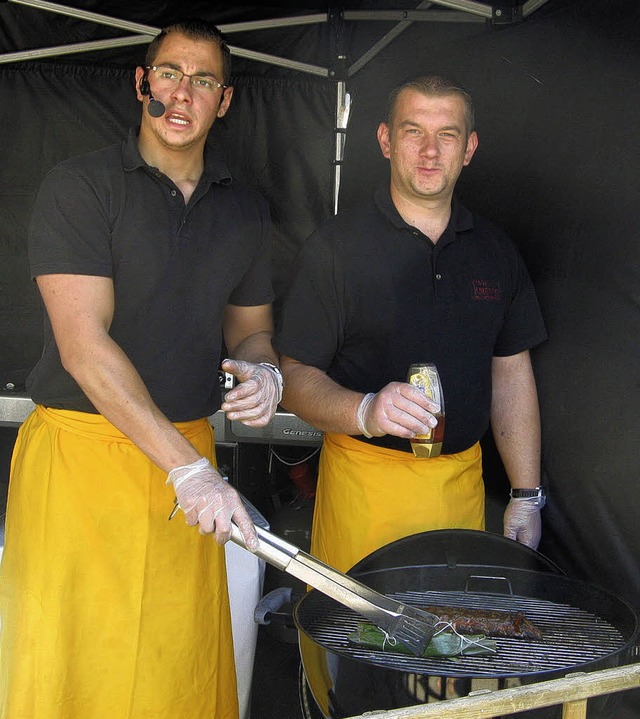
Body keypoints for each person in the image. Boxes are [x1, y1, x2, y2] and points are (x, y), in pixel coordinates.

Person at [0, 19, 282, 719]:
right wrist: (187, 469)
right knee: (75, 668)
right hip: (82, 462)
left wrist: (264, 373)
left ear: (226, 101)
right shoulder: (81, 188)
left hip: (190, 468)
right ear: (141, 84)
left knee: (173, 669)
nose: (184, 93)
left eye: (205, 80)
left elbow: (252, 332)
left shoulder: (245, 212)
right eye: (170, 74)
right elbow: (83, 347)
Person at [274, 74, 548, 577]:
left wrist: (526, 495)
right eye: (412, 130)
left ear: (469, 149)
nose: (429, 150)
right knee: (357, 647)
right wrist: (365, 410)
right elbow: (293, 378)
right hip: (363, 489)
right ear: (384, 140)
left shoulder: (495, 251)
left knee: (447, 645)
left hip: (460, 495)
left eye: (447, 135)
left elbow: (510, 374)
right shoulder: (336, 247)